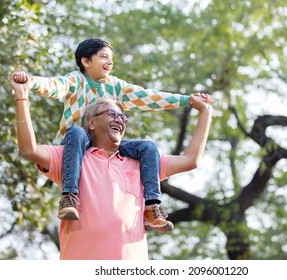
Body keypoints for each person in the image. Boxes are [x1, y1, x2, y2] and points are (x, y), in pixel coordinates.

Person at [11, 38, 211, 232]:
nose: (109, 62)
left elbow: (147, 97)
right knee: (77, 132)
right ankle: (70, 196)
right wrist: (31, 82)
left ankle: (151, 206)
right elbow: (54, 86)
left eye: (111, 59)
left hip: (105, 143)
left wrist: (187, 100)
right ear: (86, 61)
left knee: (148, 146)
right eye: (103, 57)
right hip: (77, 144)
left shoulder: (114, 85)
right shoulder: (76, 80)